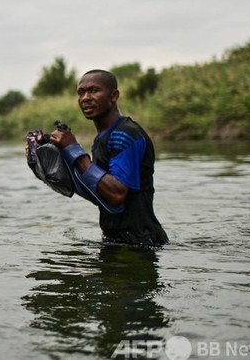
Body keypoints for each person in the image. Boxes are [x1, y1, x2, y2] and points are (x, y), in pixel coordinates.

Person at [50, 70, 168, 246]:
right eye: (81, 92)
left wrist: (74, 150)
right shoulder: (102, 138)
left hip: (141, 244)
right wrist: (52, 159)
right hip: (118, 242)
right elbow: (100, 194)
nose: (85, 98)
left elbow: (117, 193)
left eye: (93, 90)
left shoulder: (125, 134)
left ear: (114, 96)